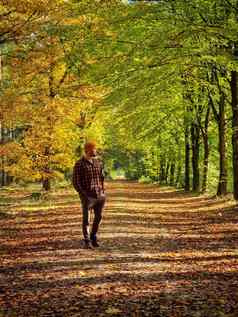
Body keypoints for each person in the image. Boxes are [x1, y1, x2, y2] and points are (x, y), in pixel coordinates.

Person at [72, 141, 106, 249]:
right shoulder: (79, 164)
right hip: (88, 196)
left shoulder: (98, 162)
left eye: (95, 149)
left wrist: (103, 191)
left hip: (99, 195)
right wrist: (83, 195)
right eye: (93, 149)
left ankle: (93, 237)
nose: (95, 151)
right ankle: (87, 241)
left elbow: (102, 177)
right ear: (87, 150)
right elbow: (75, 182)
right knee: (86, 219)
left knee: (99, 217)